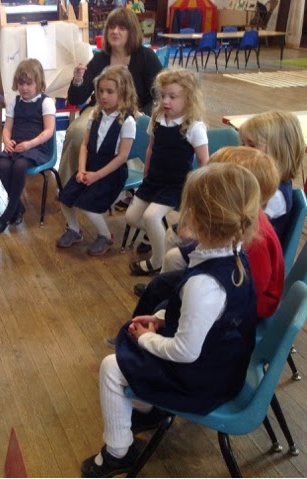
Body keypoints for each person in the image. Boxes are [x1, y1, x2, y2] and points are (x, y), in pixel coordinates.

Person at [82, 163, 260, 477]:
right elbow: (206, 320)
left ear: (196, 217)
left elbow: (185, 351)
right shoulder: (234, 252)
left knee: (112, 367)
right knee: (135, 344)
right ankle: (149, 408)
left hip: (203, 382)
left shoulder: (204, 284)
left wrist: (146, 338)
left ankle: (118, 452)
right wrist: (162, 319)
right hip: (223, 367)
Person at [132, 146, 284, 322]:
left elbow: (250, 289)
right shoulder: (238, 217)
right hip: (224, 273)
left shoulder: (257, 238)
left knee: (167, 306)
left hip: (243, 302)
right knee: (160, 284)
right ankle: (135, 328)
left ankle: (144, 330)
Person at [58, 7, 162, 186]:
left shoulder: (146, 57)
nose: (115, 31)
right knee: (76, 133)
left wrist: (143, 114)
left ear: (132, 31)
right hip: (99, 110)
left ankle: (108, 185)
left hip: (132, 115)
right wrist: (77, 80)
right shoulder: (100, 58)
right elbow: (76, 99)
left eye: (122, 27)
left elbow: (159, 94)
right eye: (112, 27)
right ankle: (68, 185)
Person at [125, 69, 209, 276]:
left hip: (176, 184)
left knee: (151, 216)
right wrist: (146, 172)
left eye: (172, 96)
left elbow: (204, 161)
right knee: (131, 217)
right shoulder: (157, 118)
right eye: (162, 95)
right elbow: (151, 148)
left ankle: (157, 262)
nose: (165, 101)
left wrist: (201, 190)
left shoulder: (193, 126)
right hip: (154, 179)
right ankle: (155, 235)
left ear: (188, 98)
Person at [56, 65, 137, 255]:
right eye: (100, 91)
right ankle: (74, 230)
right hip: (90, 167)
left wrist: (96, 176)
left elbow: (122, 157)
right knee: (65, 198)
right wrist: (81, 169)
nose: (103, 96)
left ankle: (105, 236)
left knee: (88, 206)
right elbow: (85, 145)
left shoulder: (127, 121)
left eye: (110, 92)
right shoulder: (95, 114)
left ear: (123, 92)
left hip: (111, 173)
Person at [0, 58, 56, 234]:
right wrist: (6, 141)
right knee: (3, 165)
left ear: (38, 83)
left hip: (36, 147)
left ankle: (8, 213)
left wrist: (30, 144)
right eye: (21, 84)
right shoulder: (15, 102)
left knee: (20, 166)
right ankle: (18, 207)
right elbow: (7, 128)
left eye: (29, 84)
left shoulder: (46, 102)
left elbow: (48, 131)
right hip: (16, 147)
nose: (24, 88)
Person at [239, 110, 305, 243]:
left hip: (253, 248)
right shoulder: (258, 177)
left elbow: (244, 230)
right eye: (243, 144)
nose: (243, 150)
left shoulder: (276, 196)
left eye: (252, 145)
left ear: (278, 150)